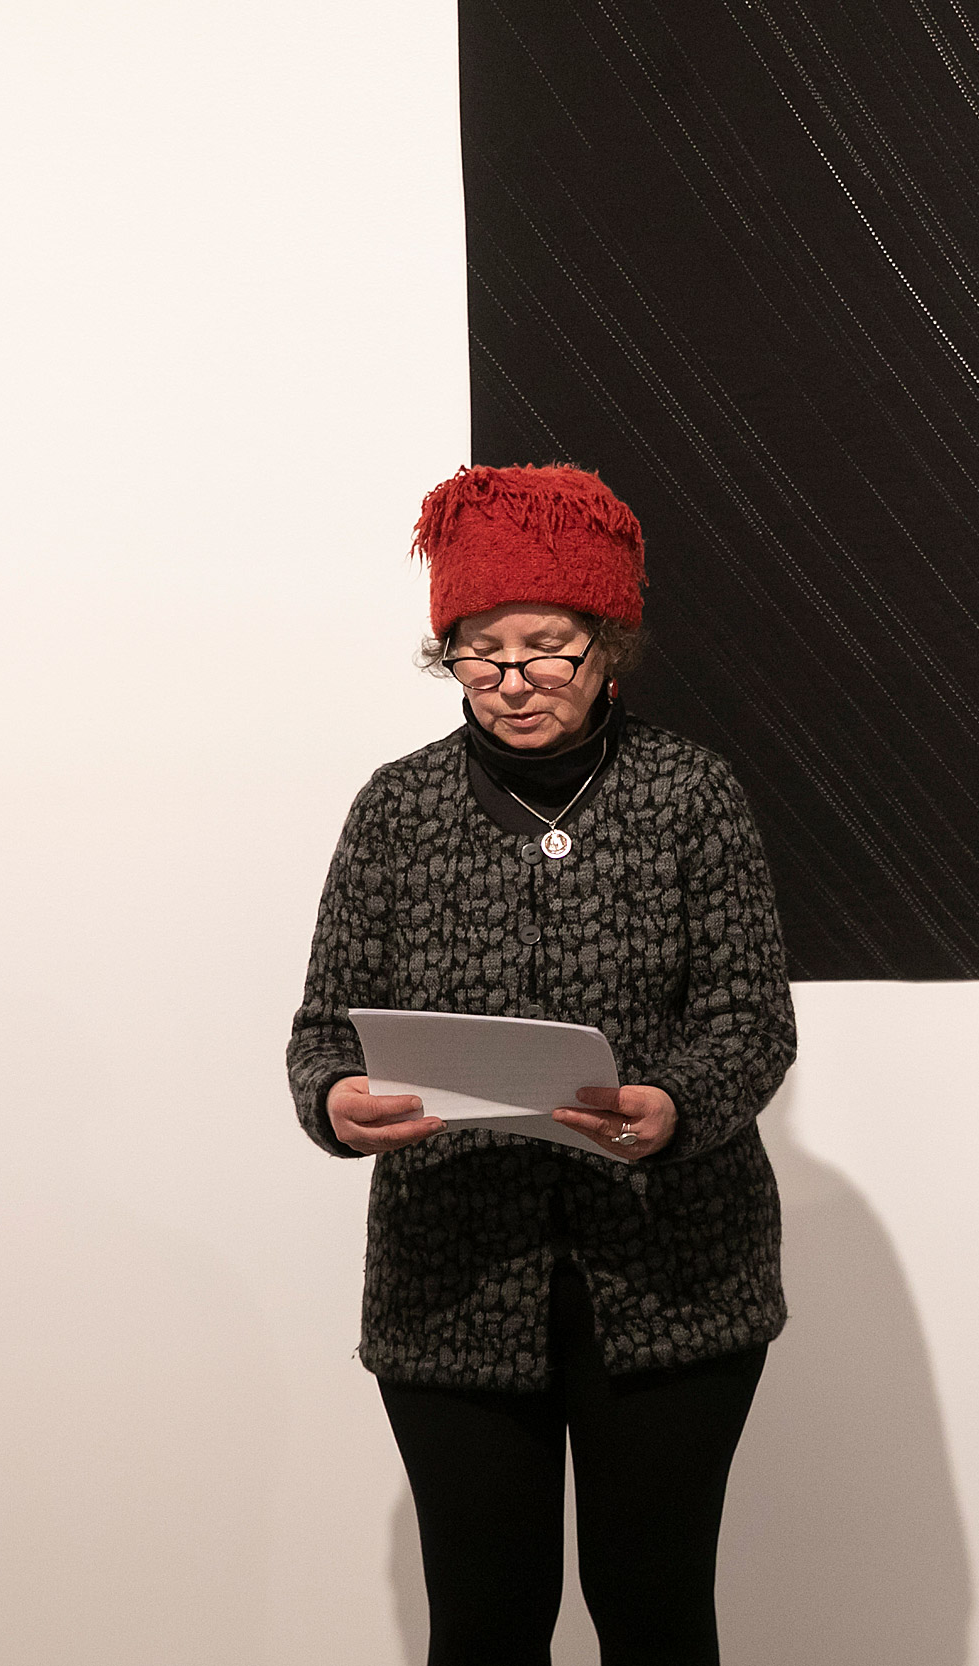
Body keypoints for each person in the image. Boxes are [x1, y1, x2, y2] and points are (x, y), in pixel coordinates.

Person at [286, 462, 797, 1666]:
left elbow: (749, 1018)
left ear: (606, 647)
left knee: (657, 1617)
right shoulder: (395, 810)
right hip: (452, 1282)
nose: (511, 682)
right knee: (483, 1625)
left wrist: (674, 1104)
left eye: (545, 649)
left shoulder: (689, 795)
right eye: (479, 653)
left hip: (674, 1279)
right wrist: (336, 1101)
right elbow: (322, 1030)